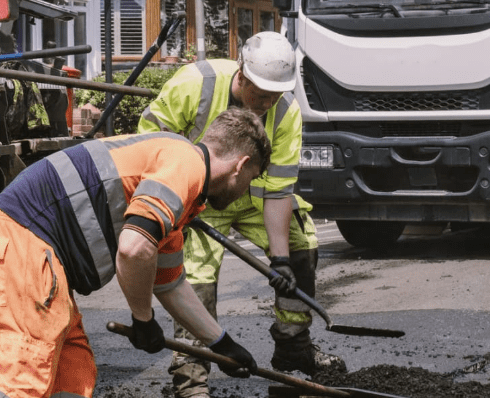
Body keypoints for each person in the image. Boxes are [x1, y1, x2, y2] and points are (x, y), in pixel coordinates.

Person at [0, 107, 271, 398]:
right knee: (26, 368)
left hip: (29, 244)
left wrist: (221, 344)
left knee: (72, 369)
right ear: (240, 165)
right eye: (251, 179)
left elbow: (170, 285)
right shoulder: (184, 162)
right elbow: (135, 248)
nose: (245, 189)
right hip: (21, 236)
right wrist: (143, 319)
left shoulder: (178, 195)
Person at [137, 31, 345, 397]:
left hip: (253, 198)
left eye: (274, 95)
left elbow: (279, 190)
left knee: (301, 246)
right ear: (241, 72)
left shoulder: (286, 114)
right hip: (196, 193)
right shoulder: (195, 85)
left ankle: (292, 347)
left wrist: (280, 259)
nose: (265, 102)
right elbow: (150, 141)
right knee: (194, 274)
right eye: (259, 93)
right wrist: (178, 200)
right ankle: (191, 374)